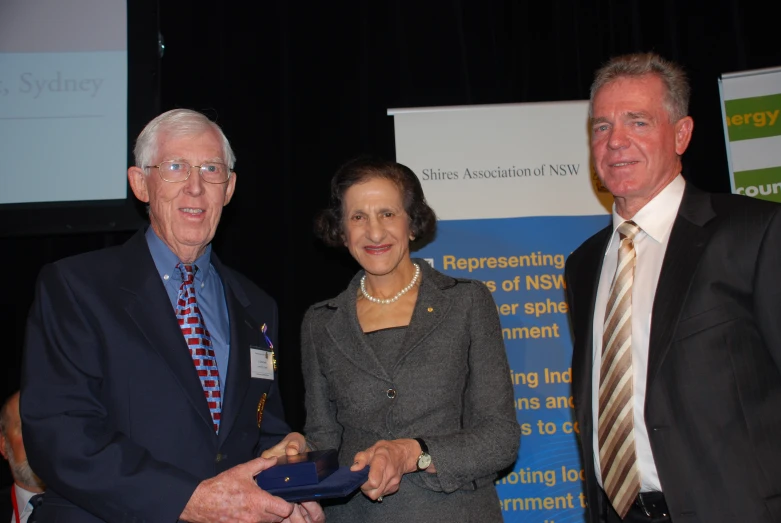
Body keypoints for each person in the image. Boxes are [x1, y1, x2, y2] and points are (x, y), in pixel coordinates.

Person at [20, 109, 324, 523]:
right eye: (175, 167)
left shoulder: (256, 305)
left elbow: (261, 428)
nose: (195, 187)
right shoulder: (77, 286)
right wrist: (188, 500)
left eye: (211, 169)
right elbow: (61, 435)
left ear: (229, 187)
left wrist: (287, 468)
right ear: (140, 183)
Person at [565, 52, 781, 523]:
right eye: (601, 127)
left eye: (637, 122)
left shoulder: (756, 233)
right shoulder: (583, 266)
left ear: (681, 134)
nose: (615, 141)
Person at [282, 156, 519, 521]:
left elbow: (500, 438)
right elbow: (324, 439)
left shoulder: (466, 301)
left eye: (387, 214)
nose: (374, 233)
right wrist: (299, 450)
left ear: (412, 222)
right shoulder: (321, 323)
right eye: (358, 217)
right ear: (342, 231)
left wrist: (414, 453)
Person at [0, 391, 45, 523]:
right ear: (3, 445)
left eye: (46, 429)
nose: (38, 440)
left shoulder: (93, 509)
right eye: (24, 429)